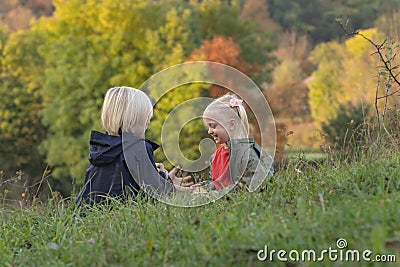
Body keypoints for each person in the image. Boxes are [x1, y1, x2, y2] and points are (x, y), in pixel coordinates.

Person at [76, 86, 191, 206]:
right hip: (119, 219)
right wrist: (164, 177)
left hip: (90, 218)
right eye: (146, 117)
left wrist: (165, 181)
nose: (148, 121)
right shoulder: (138, 148)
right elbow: (155, 194)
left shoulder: (101, 149)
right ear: (134, 118)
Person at [191, 93, 274, 193]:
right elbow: (219, 184)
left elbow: (249, 186)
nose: (209, 131)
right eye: (208, 127)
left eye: (213, 126)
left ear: (231, 125)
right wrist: (203, 189)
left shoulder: (247, 154)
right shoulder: (215, 157)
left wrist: (216, 195)